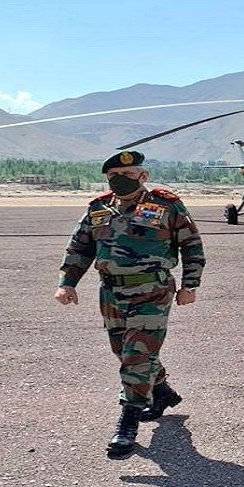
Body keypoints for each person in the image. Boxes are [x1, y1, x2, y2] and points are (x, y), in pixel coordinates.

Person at [54, 150, 205, 460]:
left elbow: (191, 245)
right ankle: (161, 391)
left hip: (152, 290)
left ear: (143, 176)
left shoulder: (166, 204)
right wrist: (67, 282)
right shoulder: (98, 208)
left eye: (128, 175)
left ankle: (128, 423)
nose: (121, 180)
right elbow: (81, 246)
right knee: (125, 351)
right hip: (111, 293)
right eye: (114, 177)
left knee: (137, 355)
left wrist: (190, 285)